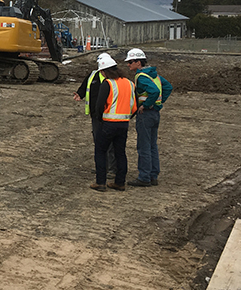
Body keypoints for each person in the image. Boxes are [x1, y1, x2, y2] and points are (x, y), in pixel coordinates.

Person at [124, 48, 173, 187]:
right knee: (152, 145)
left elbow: (154, 91)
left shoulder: (141, 77)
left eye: (130, 62)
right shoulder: (154, 75)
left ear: (138, 62)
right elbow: (167, 87)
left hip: (145, 115)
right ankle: (153, 175)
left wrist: (146, 105)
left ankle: (144, 177)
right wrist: (158, 103)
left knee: (143, 146)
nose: (128, 65)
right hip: (155, 114)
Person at [90, 54, 136, 192]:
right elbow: (134, 105)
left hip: (108, 123)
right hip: (124, 123)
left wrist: (99, 118)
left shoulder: (108, 83)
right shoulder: (130, 83)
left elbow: (99, 105)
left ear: (104, 71)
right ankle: (120, 182)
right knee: (120, 153)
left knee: (100, 151)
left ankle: (101, 182)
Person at [73, 53, 117, 175]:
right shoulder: (93, 75)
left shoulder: (114, 79)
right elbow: (85, 86)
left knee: (110, 143)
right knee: (99, 142)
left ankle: (112, 169)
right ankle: (102, 166)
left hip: (109, 115)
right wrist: (79, 94)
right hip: (96, 115)